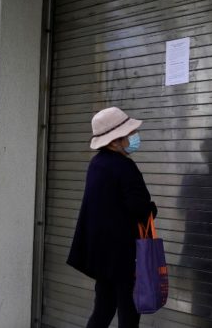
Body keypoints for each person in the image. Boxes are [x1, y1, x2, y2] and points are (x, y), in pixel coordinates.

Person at [67, 106, 157, 328]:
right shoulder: (124, 167)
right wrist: (152, 209)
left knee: (103, 308)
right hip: (124, 255)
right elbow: (140, 208)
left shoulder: (96, 164)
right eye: (129, 134)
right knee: (129, 312)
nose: (134, 137)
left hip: (101, 254)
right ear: (115, 141)